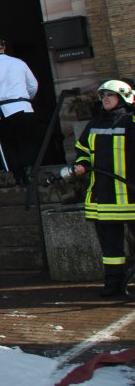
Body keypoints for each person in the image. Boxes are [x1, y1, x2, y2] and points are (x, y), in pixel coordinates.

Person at [64, 80, 135, 297]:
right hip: (104, 196)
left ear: (124, 97)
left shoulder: (132, 121)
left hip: (131, 194)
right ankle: (113, 284)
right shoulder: (94, 124)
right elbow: (83, 151)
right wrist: (81, 165)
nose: (105, 99)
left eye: (109, 95)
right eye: (102, 95)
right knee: (110, 249)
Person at [0, 31, 39, 186]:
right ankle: (31, 172)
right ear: (4, 48)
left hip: (3, 110)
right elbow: (33, 85)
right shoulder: (19, 63)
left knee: (10, 145)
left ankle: (19, 176)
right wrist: (25, 98)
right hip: (24, 106)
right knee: (28, 141)